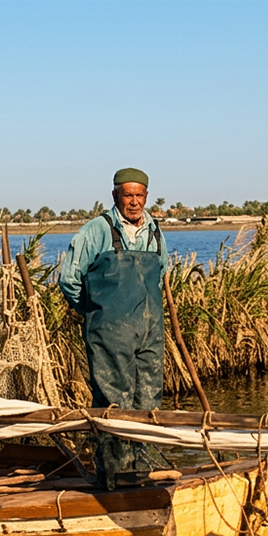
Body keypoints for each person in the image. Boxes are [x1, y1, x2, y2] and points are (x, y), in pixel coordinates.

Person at [58, 167, 168, 490]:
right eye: (127, 195)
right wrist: (95, 312)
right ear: (115, 196)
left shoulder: (155, 233)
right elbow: (69, 279)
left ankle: (141, 471)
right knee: (113, 402)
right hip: (108, 334)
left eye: (139, 195)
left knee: (147, 400)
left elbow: (160, 274)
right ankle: (115, 479)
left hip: (149, 333)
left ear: (146, 197)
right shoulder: (97, 231)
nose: (134, 202)